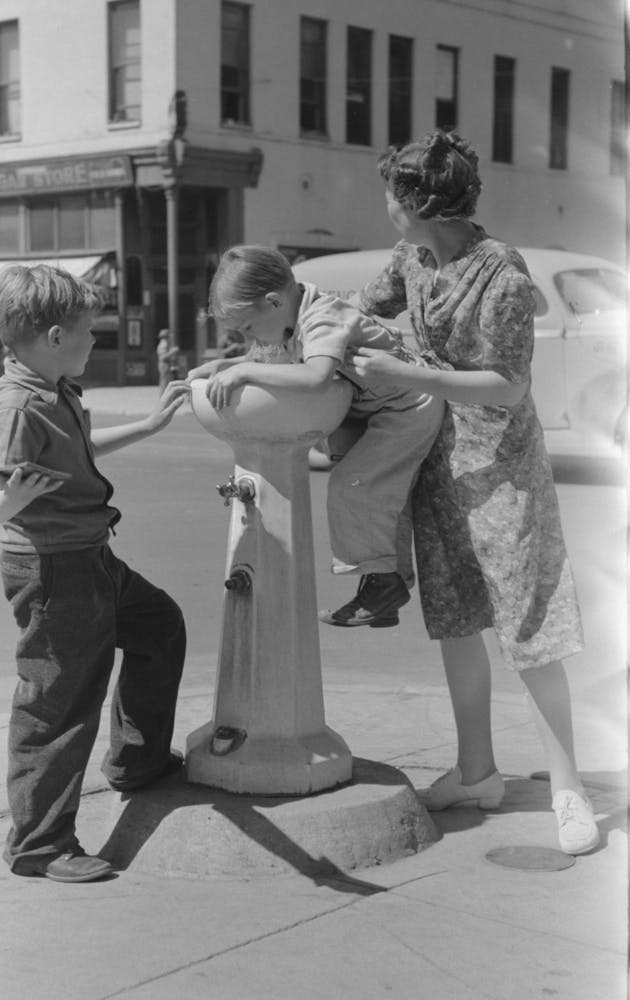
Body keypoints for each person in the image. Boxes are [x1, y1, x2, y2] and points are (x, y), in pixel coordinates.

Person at [344, 129, 599, 855]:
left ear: (420, 201)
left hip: (503, 471)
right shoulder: (414, 260)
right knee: (457, 619)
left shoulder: (504, 277)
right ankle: (478, 769)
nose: (388, 209)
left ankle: (569, 787)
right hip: (440, 462)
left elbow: (509, 385)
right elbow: (363, 306)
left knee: (527, 626)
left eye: (393, 196)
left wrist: (408, 377)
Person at [0, 264, 190, 883]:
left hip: (91, 558)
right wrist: (12, 497)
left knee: (158, 625)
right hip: (54, 571)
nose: (96, 341)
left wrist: (149, 424)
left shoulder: (52, 389)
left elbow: (79, 452)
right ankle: (39, 847)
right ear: (52, 336)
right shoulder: (16, 405)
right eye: (88, 331)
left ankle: (136, 763)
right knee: (58, 705)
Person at [187, 244, 444, 628]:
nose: (249, 339)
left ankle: (385, 585)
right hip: (374, 407)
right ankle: (385, 586)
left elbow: (314, 376)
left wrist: (244, 374)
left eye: (248, 328)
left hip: (408, 409)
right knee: (375, 494)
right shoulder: (294, 314)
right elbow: (273, 357)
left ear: (273, 302)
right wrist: (225, 365)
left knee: (354, 485)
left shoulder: (322, 317)